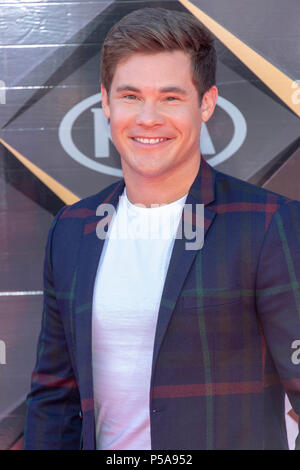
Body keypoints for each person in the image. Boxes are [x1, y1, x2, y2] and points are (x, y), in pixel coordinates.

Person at [24, 7, 300, 450]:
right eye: (131, 96)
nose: (147, 117)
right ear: (106, 102)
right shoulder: (72, 230)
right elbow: (54, 400)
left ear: (205, 103)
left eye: (170, 97)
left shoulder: (268, 225)